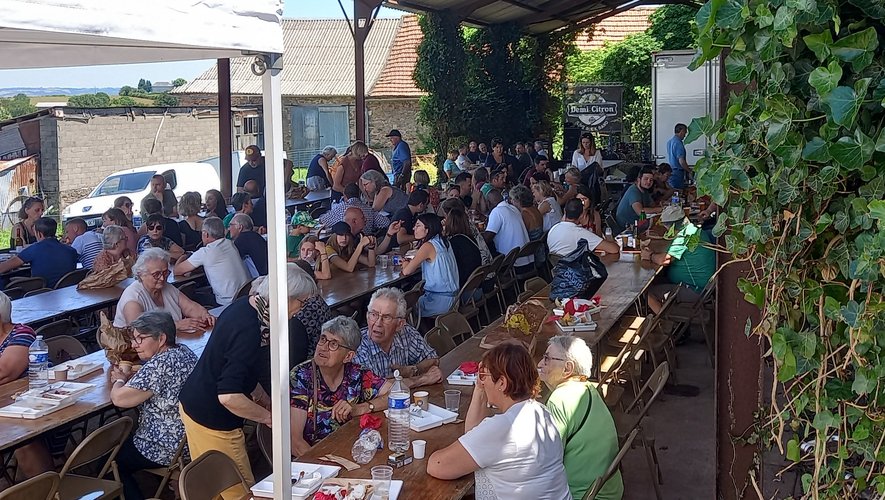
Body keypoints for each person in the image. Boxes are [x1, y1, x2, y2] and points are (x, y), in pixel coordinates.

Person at [179, 264, 317, 499]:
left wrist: (262, 398)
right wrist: (269, 418)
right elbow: (229, 395)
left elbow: (240, 369)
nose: (300, 311)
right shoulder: (251, 328)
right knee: (241, 491)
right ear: (284, 297)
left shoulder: (247, 307)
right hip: (211, 416)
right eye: (301, 303)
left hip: (198, 403)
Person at [427, 341, 571, 500]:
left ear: (501, 383)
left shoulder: (503, 428)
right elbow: (473, 436)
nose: (482, 381)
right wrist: (480, 389)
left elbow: (437, 466)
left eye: (485, 376)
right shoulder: (542, 412)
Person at [110, 311, 198, 500]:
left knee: (110, 463)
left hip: (165, 445)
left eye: (140, 338)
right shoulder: (184, 351)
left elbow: (119, 399)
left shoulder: (158, 366)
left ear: (161, 338)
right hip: (190, 437)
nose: (134, 345)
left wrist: (120, 379)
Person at [288, 316, 392, 455]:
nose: (323, 347)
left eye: (333, 344)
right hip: (314, 461)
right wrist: (325, 471)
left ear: (348, 356)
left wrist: (362, 407)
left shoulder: (356, 373)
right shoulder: (301, 376)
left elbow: (396, 393)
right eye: (323, 339)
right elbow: (295, 442)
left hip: (349, 450)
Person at [538, 337, 622, 500]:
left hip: (583, 495)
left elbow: (547, 461)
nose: (540, 364)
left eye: (547, 359)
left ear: (567, 368)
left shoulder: (559, 399)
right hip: (609, 489)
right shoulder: (588, 388)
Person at [0, 292, 53, 477]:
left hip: (37, 405)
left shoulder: (22, 333)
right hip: (10, 406)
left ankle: (47, 490)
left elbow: (3, 373)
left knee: (21, 442)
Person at [354, 288, 443, 385]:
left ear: (400, 324)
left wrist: (413, 370)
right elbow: (375, 388)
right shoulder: (357, 347)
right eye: (374, 315)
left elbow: (433, 359)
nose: (378, 323)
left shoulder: (406, 333)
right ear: (367, 316)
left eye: (386, 317)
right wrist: (421, 379)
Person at [114, 248, 214, 331]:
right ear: (141, 275)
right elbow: (137, 328)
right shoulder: (133, 297)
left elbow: (189, 307)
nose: (162, 278)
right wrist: (176, 325)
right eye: (156, 274)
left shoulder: (166, 287)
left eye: (165, 273)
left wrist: (204, 314)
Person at [642, 206, 716, 314]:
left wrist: (649, 255)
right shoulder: (693, 229)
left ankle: (663, 321)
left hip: (694, 289)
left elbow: (665, 260)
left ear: (671, 226)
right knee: (655, 281)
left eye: (666, 225)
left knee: (646, 291)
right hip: (702, 286)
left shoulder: (685, 235)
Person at [173, 217, 251, 306]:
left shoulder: (205, 252)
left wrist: (182, 256)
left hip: (226, 302)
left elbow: (177, 271)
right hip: (244, 296)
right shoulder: (230, 244)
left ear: (205, 234)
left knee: (190, 295)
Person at [401, 214, 460, 318]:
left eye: (418, 225)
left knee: (403, 306)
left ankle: (420, 332)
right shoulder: (444, 241)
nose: (414, 228)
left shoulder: (428, 246)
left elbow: (406, 271)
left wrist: (405, 263)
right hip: (454, 299)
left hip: (438, 302)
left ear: (427, 229)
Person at [0, 217, 78, 287]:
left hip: (41, 293)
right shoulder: (71, 251)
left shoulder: (34, 249)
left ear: (39, 234)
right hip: (65, 291)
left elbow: (3, 268)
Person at [548, 199, 619, 257]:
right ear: (582, 215)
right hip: (577, 271)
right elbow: (614, 249)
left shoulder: (553, 229)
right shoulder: (580, 233)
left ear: (565, 211)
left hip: (556, 272)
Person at [483, 189, 533, 271]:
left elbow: (487, 238)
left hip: (514, 263)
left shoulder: (497, 211)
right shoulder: (513, 208)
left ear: (488, 203)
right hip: (527, 259)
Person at [319, 183, 390, 233]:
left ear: (345, 196)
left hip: (347, 243)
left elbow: (323, 220)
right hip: (367, 242)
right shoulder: (368, 209)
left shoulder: (341, 207)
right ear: (359, 195)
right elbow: (385, 222)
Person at [443, 207, 483, 288]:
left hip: (465, 290)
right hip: (477, 287)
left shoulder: (452, 243)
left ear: (449, 223)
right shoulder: (471, 239)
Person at [615, 166, 661, 234]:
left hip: (639, 224)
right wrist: (659, 209)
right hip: (626, 229)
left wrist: (662, 205)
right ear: (639, 179)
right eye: (646, 179)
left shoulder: (645, 190)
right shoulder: (633, 191)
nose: (648, 182)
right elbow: (640, 212)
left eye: (651, 180)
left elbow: (653, 205)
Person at [667, 123, 690, 189]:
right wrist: (689, 170)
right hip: (678, 173)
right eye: (685, 132)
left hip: (671, 171)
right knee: (678, 193)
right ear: (682, 131)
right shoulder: (678, 143)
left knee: (672, 192)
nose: (685, 135)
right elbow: (681, 161)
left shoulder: (670, 142)